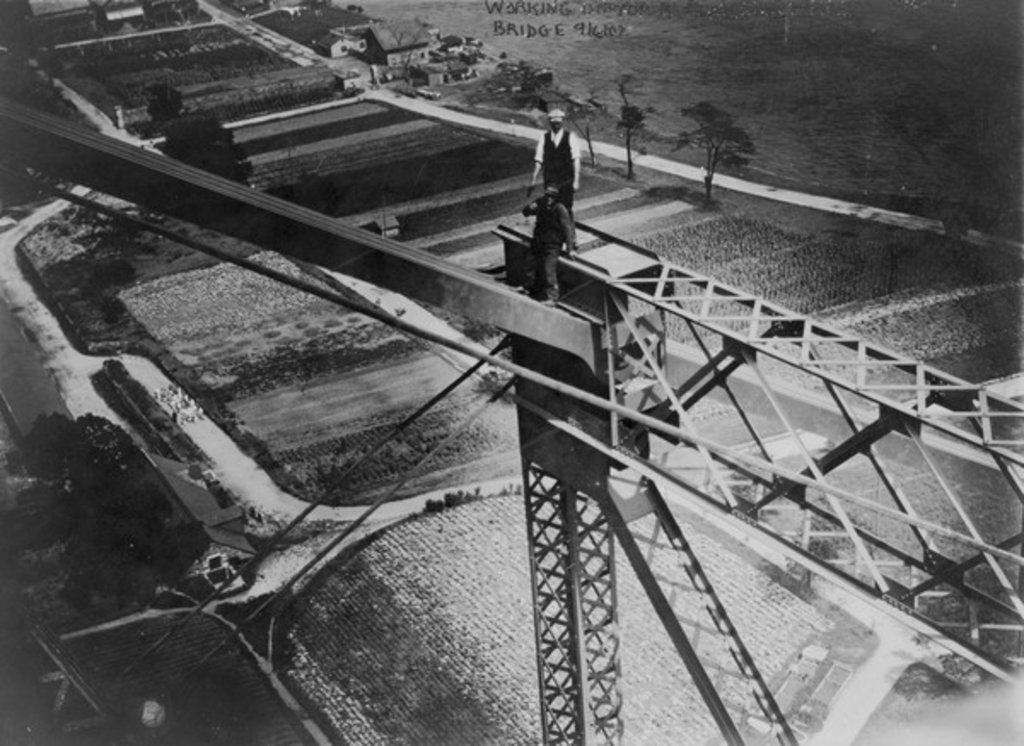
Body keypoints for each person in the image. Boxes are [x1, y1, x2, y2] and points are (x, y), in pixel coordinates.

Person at [522, 184, 577, 304]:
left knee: (549, 270)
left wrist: (570, 249)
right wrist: (529, 208)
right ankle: (527, 288)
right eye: (547, 196)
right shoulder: (541, 202)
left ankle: (552, 298)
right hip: (539, 240)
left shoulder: (560, 209)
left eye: (552, 197)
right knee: (530, 264)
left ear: (556, 198)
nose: (549, 199)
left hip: (553, 244)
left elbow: (568, 229)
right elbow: (525, 212)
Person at [528, 108, 580, 213]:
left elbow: (576, 160)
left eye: (558, 123)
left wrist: (576, 181)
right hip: (550, 179)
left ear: (562, 123)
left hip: (566, 179)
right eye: (554, 123)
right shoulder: (544, 137)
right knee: (550, 205)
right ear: (550, 123)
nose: (556, 126)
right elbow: (538, 160)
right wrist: (533, 180)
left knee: (566, 207)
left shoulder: (570, 137)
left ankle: (568, 227)